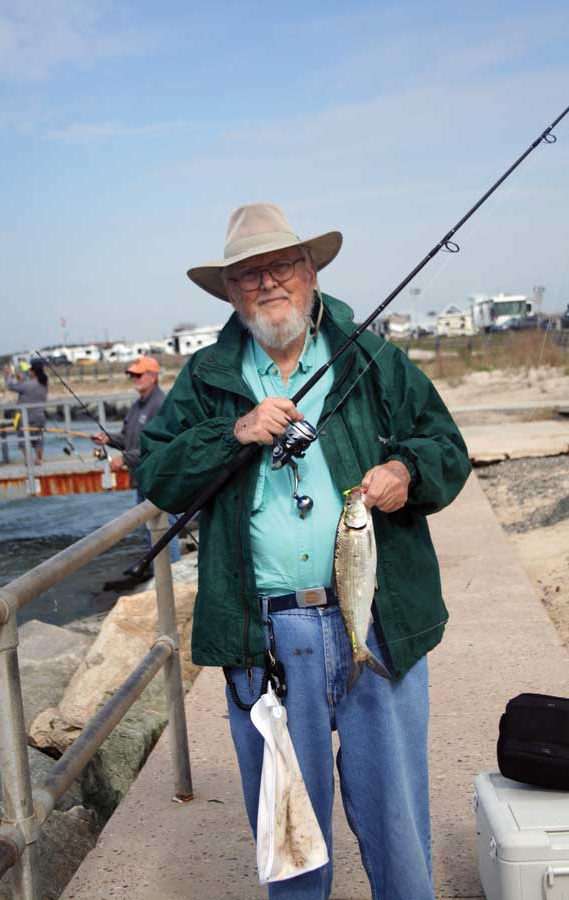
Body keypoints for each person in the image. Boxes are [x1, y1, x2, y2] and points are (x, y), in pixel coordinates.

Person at [137, 203, 472, 899]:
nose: (267, 284)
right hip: (265, 639)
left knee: (400, 828)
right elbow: (158, 475)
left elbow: (447, 447)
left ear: (311, 272)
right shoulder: (204, 380)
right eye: (248, 274)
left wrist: (406, 474)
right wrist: (234, 432)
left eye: (282, 265)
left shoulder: (375, 358)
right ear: (229, 292)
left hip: (380, 623)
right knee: (289, 840)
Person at [92, 356, 181, 564]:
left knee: (165, 534)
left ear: (152, 377)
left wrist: (124, 459)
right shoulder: (136, 407)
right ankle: (160, 578)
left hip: (159, 481)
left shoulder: (161, 404)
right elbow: (127, 439)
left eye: (138, 375)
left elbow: (160, 446)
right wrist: (108, 439)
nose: (134, 379)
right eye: (132, 375)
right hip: (142, 480)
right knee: (151, 531)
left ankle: (172, 580)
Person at [6, 359, 49, 465]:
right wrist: (22, 380)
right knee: (39, 439)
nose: (29, 371)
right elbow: (28, 385)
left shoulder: (28, 384)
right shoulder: (44, 383)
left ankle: (27, 460)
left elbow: (11, 386)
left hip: (25, 417)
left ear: (33, 371)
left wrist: (9, 375)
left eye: (30, 370)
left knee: (23, 438)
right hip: (40, 416)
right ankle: (38, 459)